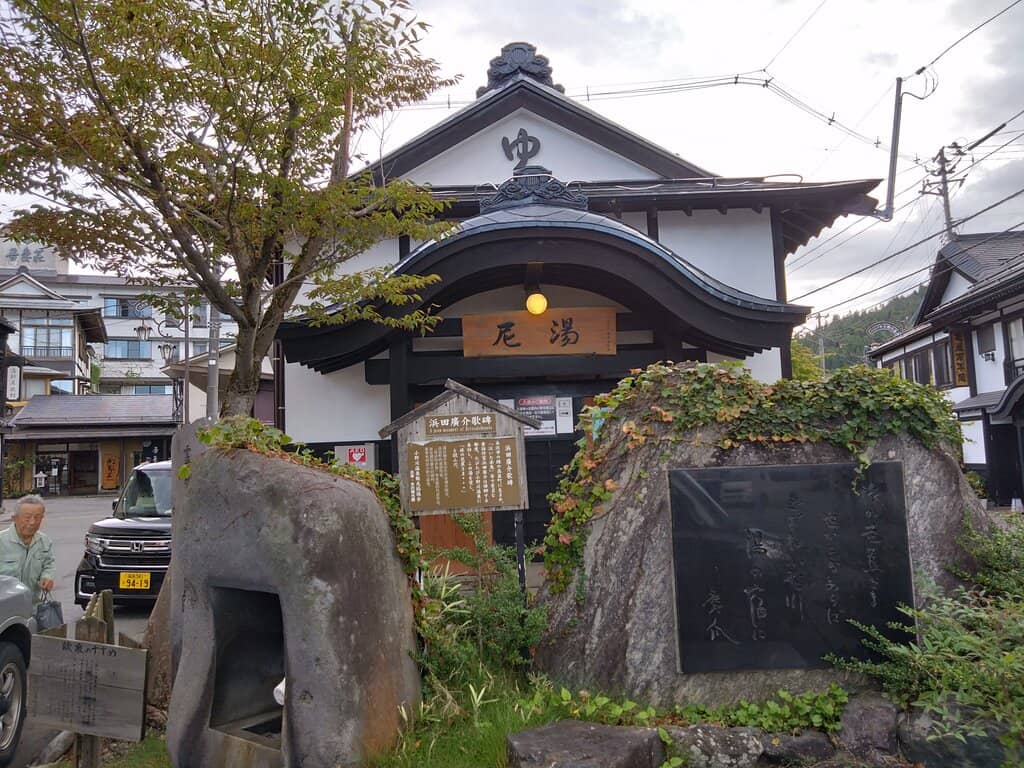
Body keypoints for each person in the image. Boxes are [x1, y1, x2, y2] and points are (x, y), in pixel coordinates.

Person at [0, 494, 55, 605]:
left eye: (37, 517)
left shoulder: (44, 541)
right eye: (27, 517)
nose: (32, 522)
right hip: (4, 608)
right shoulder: (2, 541)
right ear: (15, 518)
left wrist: (47, 577)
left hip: (32, 605)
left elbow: (49, 564)